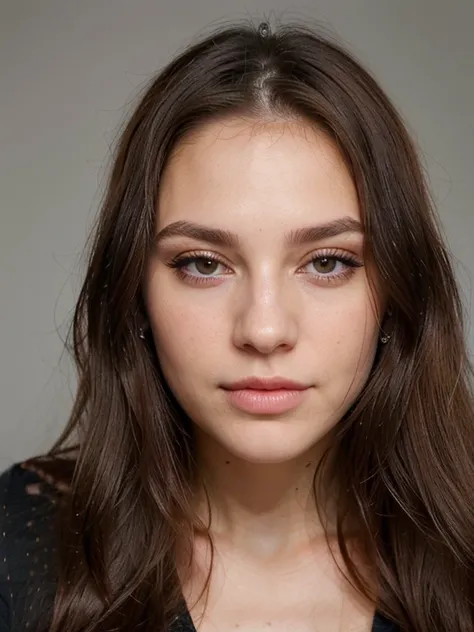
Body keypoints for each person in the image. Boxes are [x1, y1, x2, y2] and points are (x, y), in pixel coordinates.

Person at [1, 18, 473, 632]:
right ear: (135, 292)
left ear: (396, 289)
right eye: (204, 264)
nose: (265, 329)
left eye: (327, 262)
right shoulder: (17, 546)